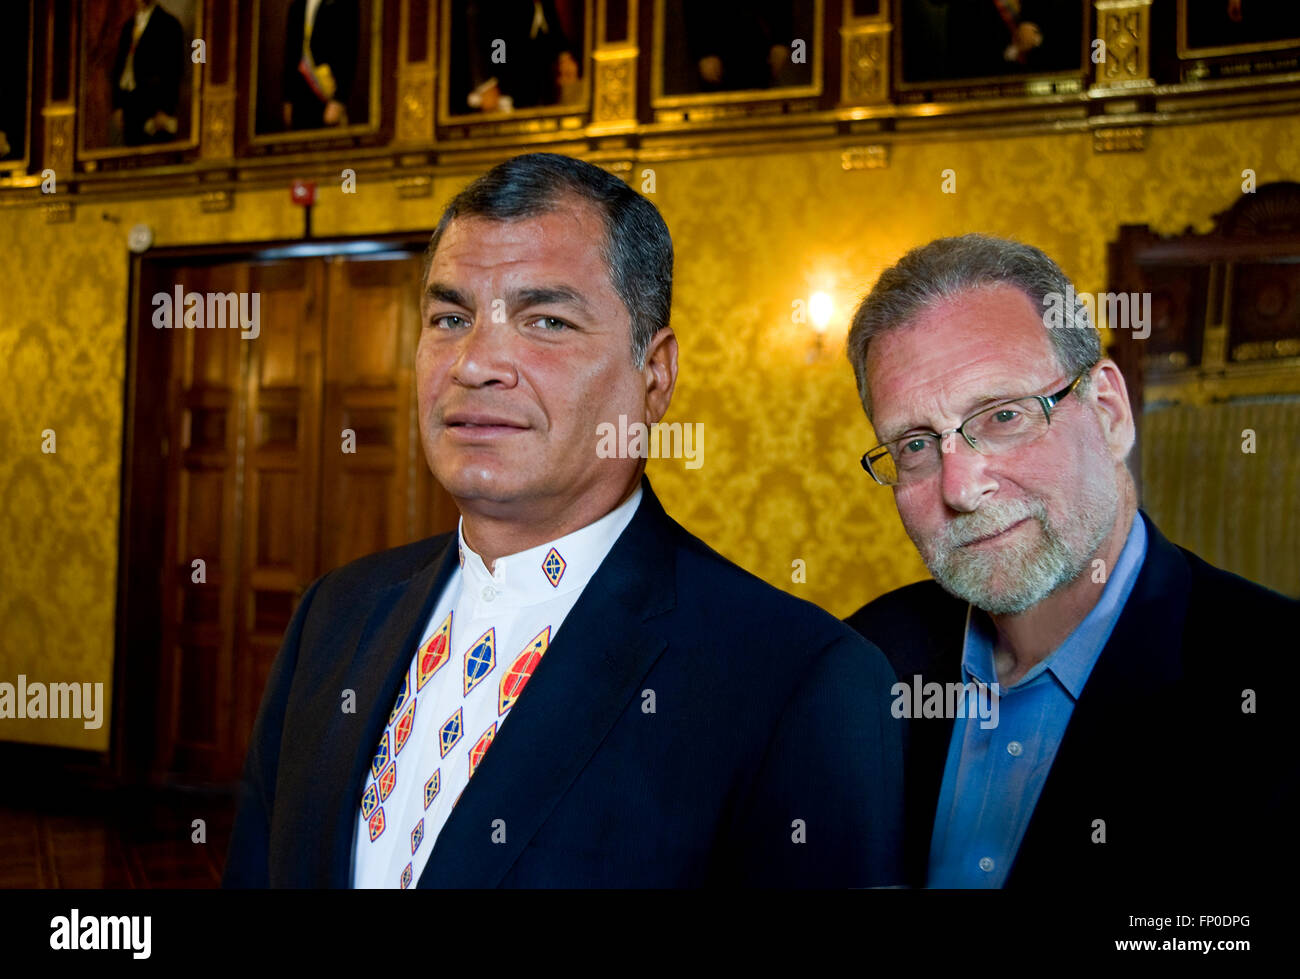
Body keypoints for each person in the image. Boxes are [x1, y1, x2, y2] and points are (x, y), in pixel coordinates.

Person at [224, 153, 904, 888]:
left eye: (545, 319)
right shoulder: (335, 615)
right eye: (451, 317)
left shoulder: (795, 681)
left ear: (656, 376)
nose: (476, 363)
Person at [843, 233, 1298, 889]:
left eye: (1002, 414)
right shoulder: (864, 659)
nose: (960, 487)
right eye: (916, 443)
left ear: (1109, 411)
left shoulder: (1277, 685)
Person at [110, 0, 184, 146]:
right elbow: (120, 68)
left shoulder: (169, 24)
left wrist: (165, 109)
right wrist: (118, 106)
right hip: (129, 105)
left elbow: (174, 71)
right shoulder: (129, 26)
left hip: (154, 107)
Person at [281, 0, 358, 130]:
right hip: (301, 94)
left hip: (329, 91)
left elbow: (349, 52)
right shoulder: (297, 6)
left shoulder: (344, 4)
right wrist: (288, 99)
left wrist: (339, 99)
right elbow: (291, 54)